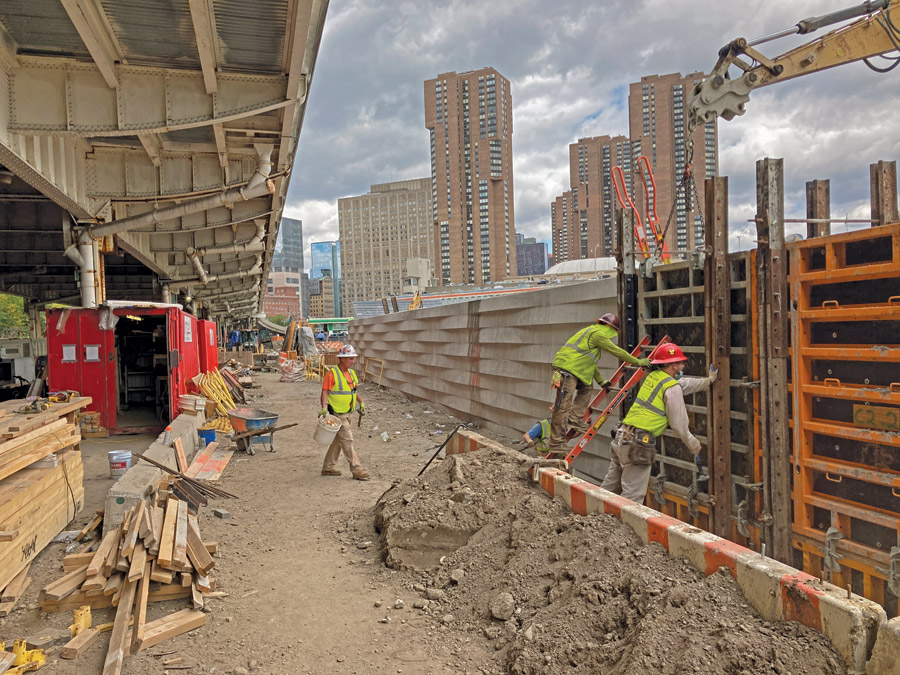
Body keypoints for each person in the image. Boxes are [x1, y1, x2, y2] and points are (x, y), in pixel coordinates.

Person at [600, 342, 717, 503]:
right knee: (632, 498)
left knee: (608, 488)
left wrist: (707, 382)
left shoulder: (654, 378)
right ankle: (618, 528)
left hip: (621, 436)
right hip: (638, 444)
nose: (683, 365)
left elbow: (683, 384)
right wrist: (693, 444)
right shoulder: (671, 387)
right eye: (680, 362)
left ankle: (592, 519)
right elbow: (678, 423)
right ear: (672, 365)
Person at [546, 313, 651, 457]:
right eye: (614, 331)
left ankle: (574, 419)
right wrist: (638, 362)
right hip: (567, 369)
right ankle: (556, 443)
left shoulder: (591, 334)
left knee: (587, 388)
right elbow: (616, 350)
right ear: (608, 326)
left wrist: (601, 381)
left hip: (575, 368)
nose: (613, 335)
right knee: (562, 405)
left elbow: (590, 364)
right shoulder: (597, 334)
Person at [319, 344, 370, 480]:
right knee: (347, 440)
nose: (352, 361)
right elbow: (325, 391)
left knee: (338, 441)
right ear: (341, 359)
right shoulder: (332, 374)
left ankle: (328, 468)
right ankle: (357, 469)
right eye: (349, 359)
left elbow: (353, 391)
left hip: (348, 412)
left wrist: (361, 402)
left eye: (353, 359)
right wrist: (324, 407)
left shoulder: (352, 374)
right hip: (337, 414)